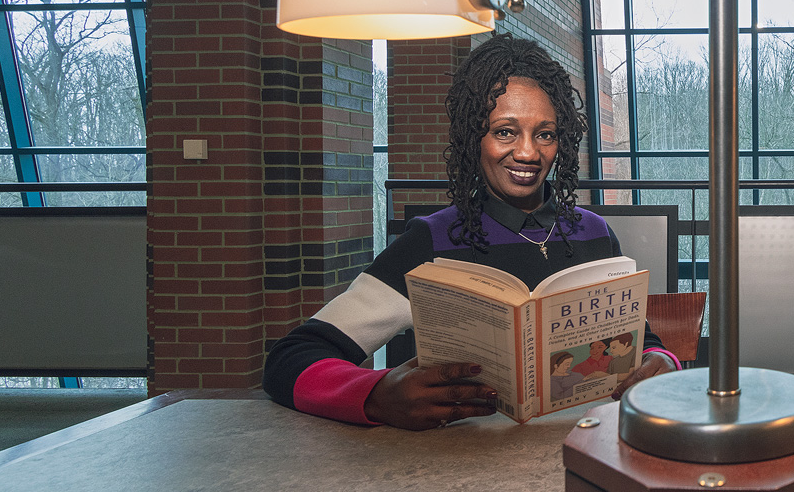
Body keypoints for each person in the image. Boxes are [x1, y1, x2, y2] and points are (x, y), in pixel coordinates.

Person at [263, 35, 680, 431]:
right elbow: (291, 359)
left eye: (545, 134)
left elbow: (644, 343)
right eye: (505, 131)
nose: (528, 153)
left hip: (584, 453)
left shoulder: (595, 235)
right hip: (463, 472)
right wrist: (374, 394)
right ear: (473, 137)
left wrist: (662, 362)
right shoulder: (431, 241)